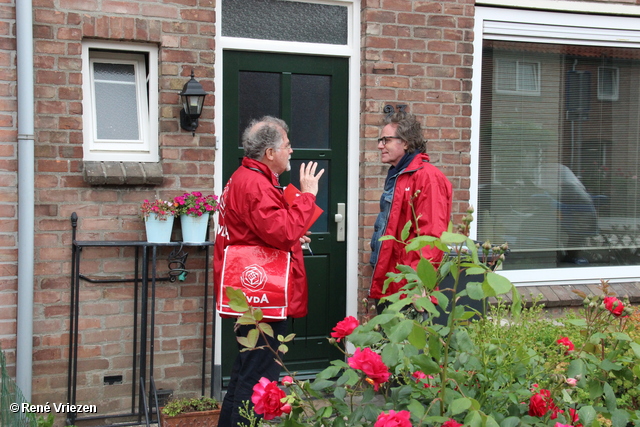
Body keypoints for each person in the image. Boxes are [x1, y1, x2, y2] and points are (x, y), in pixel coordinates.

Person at [214, 116, 324, 427]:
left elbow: (266, 229)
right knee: (258, 378)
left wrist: (290, 231)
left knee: (245, 372)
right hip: (261, 295)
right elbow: (283, 229)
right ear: (270, 153)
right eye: (287, 146)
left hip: (251, 295)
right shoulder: (255, 184)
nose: (292, 151)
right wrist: (308, 194)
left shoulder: (247, 177)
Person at [369, 111, 453, 308]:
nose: (380, 146)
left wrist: (419, 285)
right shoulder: (400, 175)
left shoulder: (427, 178)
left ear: (405, 143)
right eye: (380, 140)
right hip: (393, 283)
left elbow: (431, 237)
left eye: (386, 140)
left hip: (408, 289)